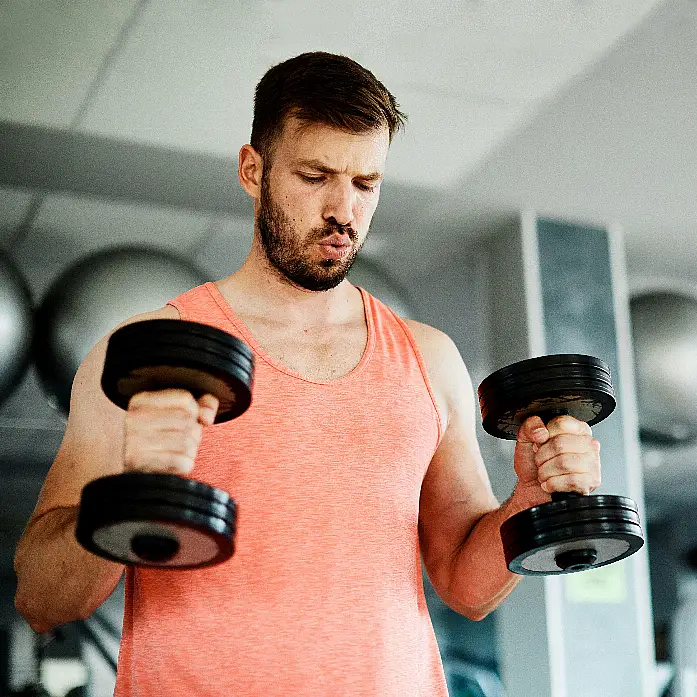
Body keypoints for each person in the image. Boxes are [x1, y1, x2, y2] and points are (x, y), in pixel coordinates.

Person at [13, 52, 603, 695]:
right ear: (252, 171)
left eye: (365, 183)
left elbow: (468, 586)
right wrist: (130, 487)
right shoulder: (149, 352)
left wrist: (531, 498)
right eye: (316, 176)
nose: (342, 211)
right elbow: (42, 600)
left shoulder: (429, 360)